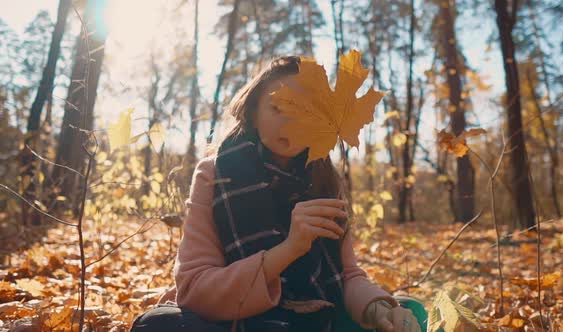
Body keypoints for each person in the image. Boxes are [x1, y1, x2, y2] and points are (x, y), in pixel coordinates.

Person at [130, 55, 422, 332]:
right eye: (278, 108)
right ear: (253, 112)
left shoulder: (324, 178)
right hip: (234, 321)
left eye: (305, 111)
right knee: (157, 325)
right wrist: (289, 249)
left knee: (410, 312)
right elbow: (195, 290)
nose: (291, 124)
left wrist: (379, 310)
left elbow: (348, 276)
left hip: (320, 317)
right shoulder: (216, 173)